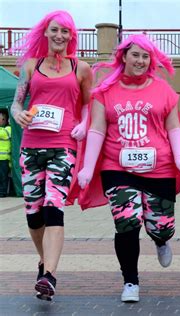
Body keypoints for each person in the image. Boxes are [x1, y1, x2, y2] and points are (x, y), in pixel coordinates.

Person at [77, 34, 180, 303]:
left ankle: (161, 240)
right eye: (135, 55)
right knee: (127, 222)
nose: (140, 60)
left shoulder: (163, 90)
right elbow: (97, 129)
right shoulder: (105, 91)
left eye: (145, 56)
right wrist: (88, 168)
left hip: (158, 168)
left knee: (161, 226)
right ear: (124, 57)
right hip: (118, 168)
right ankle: (130, 281)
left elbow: (173, 126)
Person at [9, 10, 92, 301]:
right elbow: (17, 103)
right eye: (55, 30)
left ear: (72, 37)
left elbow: (88, 105)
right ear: (45, 32)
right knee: (34, 214)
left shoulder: (81, 68)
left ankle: (49, 276)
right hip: (31, 146)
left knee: (54, 204)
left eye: (65, 32)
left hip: (63, 146)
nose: (59, 36)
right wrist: (18, 114)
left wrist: (83, 124)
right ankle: (44, 260)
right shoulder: (31, 66)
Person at [0, 110, 12, 197]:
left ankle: (2, 192)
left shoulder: (8, 129)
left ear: (4, 120)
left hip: (4, 159)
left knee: (3, 177)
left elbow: (2, 134)